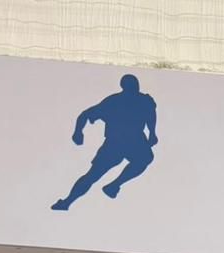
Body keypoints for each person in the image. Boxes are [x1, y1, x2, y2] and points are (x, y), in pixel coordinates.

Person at [51, 74, 157, 210]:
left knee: (145, 158)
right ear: (124, 87)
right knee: (93, 175)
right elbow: (85, 114)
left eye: (135, 85)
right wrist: (78, 132)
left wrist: (152, 133)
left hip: (133, 140)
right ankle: (67, 202)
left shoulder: (144, 100)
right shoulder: (114, 101)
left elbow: (151, 116)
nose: (134, 87)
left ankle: (114, 185)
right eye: (132, 85)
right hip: (115, 142)